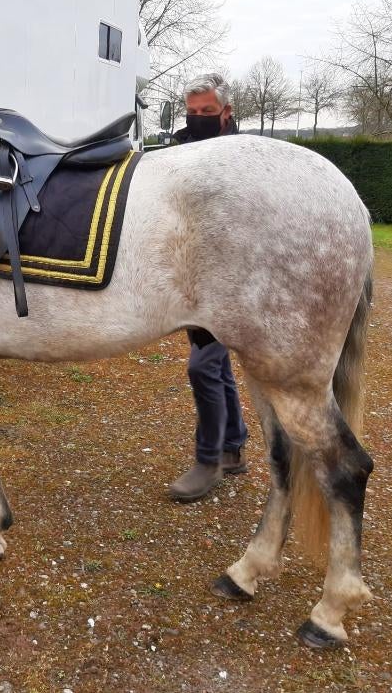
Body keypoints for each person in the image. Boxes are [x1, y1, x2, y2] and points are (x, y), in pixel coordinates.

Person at [166, 73, 250, 503]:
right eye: (192, 111)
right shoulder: (179, 150)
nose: (198, 118)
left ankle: (210, 459)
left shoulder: (242, 158)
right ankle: (232, 446)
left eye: (207, 112)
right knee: (217, 366)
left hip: (229, 280)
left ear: (226, 112)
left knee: (202, 367)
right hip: (193, 275)